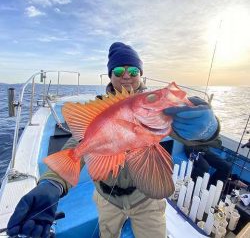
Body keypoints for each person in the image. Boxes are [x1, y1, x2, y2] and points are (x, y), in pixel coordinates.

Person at [7, 42, 220, 238]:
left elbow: (195, 138)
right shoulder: (100, 108)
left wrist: (206, 129)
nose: (126, 76)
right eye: (119, 71)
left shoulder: (158, 111)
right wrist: (53, 182)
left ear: (141, 76)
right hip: (106, 199)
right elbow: (79, 142)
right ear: (110, 75)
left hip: (146, 200)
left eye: (133, 71)